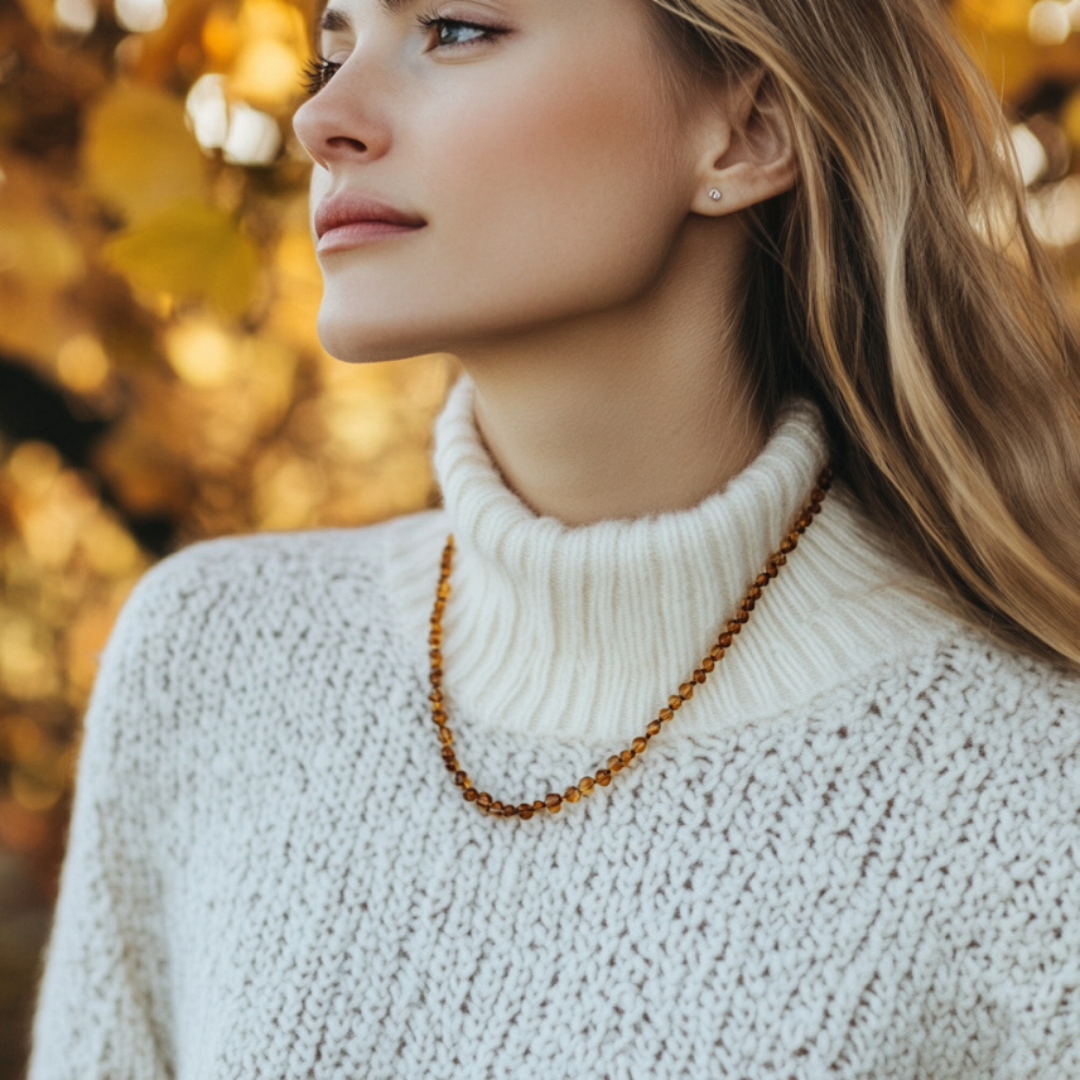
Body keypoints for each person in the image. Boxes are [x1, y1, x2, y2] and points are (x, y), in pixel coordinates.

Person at [26, 0, 1080, 1076]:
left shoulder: (1034, 787)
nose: (323, 119)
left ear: (747, 132)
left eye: (455, 28)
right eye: (331, 52)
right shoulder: (218, 658)